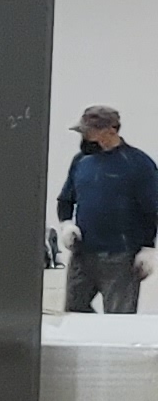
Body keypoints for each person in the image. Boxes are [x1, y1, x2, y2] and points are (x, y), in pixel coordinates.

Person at [58, 106, 158, 315]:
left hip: (121, 256)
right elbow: (65, 199)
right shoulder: (81, 161)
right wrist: (66, 224)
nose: (86, 136)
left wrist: (148, 248)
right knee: (74, 313)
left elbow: (152, 209)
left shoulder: (138, 164)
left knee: (118, 317)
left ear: (111, 130)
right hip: (83, 253)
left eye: (90, 131)